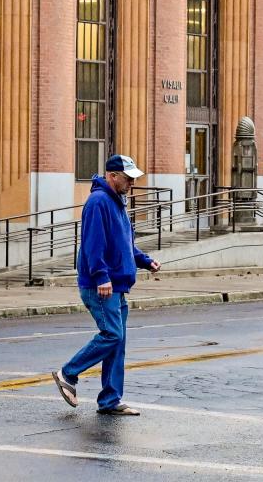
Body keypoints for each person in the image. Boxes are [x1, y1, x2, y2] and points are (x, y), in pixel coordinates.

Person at [52, 154, 161, 416]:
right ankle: (68, 373)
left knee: (117, 341)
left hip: (117, 285)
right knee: (112, 335)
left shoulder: (117, 202)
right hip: (102, 285)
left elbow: (124, 242)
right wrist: (101, 276)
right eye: (128, 178)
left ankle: (110, 399)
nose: (132, 183)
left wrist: (145, 261)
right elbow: (93, 244)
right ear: (112, 176)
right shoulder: (98, 202)